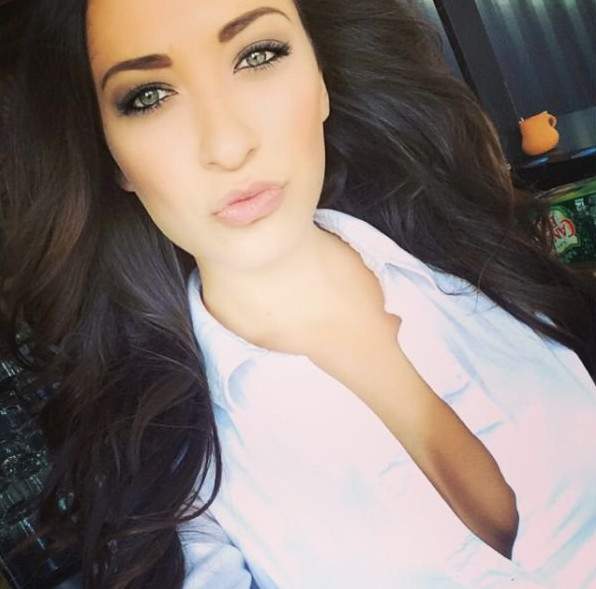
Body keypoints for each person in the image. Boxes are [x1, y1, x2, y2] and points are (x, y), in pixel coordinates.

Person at [1, 0, 595, 587]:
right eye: (149, 96)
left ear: (320, 80)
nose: (228, 146)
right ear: (114, 159)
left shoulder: (483, 260)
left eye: (259, 55)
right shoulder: (171, 479)